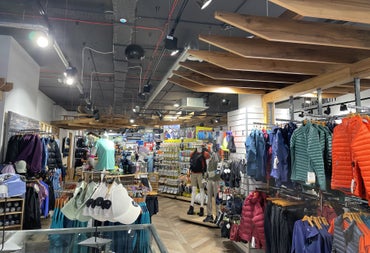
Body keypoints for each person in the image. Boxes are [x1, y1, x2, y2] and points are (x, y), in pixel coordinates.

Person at [187, 144, 210, 216]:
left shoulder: (193, 153)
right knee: (201, 190)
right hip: (200, 174)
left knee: (196, 190)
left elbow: (190, 164)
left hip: (196, 174)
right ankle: (201, 208)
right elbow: (207, 166)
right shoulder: (205, 154)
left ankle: (192, 207)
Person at [203, 151, 221, 223]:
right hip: (210, 180)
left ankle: (218, 216)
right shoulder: (209, 159)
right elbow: (207, 170)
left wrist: (211, 175)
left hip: (216, 180)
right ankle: (209, 215)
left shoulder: (218, 157)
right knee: (208, 198)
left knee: (217, 199)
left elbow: (219, 170)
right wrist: (205, 178)